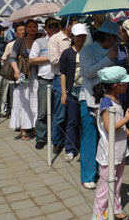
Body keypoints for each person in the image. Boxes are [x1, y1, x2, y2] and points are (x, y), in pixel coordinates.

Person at [91, 66, 129, 220]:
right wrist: (127, 119)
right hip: (109, 152)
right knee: (105, 187)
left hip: (119, 150)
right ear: (116, 86)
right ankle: (98, 215)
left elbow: (117, 123)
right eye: (124, 83)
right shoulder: (106, 103)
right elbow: (109, 127)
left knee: (117, 183)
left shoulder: (116, 100)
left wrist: (127, 131)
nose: (127, 85)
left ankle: (115, 209)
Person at [78, 21, 118, 189]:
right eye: (115, 38)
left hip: (109, 99)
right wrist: (107, 59)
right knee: (90, 136)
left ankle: (104, 171)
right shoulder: (87, 50)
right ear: (108, 37)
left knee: (107, 137)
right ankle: (87, 174)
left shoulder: (115, 52)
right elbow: (87, 72)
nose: (116, 42)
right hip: (88, 98)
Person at [48, 17, 78, 154]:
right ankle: (57, 141)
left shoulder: (77, 38)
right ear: (68, 25)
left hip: (76, 79)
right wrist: (68, 56)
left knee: (73, 115)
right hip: (61, 78)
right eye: (75, 24)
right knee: (60, 113)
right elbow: (53, 60)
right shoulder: (55, 39)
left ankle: (72, 142)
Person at [30, 17, 60, 150]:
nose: (54, 29)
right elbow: (32, 59)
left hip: (59, 79)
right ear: (46, 29)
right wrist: (49, 58)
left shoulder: (62, 40)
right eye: (51, 26)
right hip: (44, 79)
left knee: (58, 111)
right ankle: (41, 137)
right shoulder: (39, 42)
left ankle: (56, 138)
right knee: (43, 110)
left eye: (56, 26)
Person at [60, 23, 88, 162]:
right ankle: (70, 149)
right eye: (79, 36)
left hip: (86, 90)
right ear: (73, 37)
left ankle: (84, 148)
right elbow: (63, 73)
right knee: (72, 121)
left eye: (83, 36)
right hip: (72, 90)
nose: (81, 39)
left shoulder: (88, 51)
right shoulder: (67, 53)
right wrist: (64, 93)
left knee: (85, 121)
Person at [9, 19, 39, 141]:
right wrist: (16, 71)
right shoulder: (19, 42)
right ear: (26, 29)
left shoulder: (40, 41)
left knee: (36, 101)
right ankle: (23, 130)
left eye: (34, 26)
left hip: (36, 75)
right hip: (23, 75)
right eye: (30, 27)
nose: (32, 29)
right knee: (22, 101)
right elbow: (12, 58)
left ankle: (36, 127)